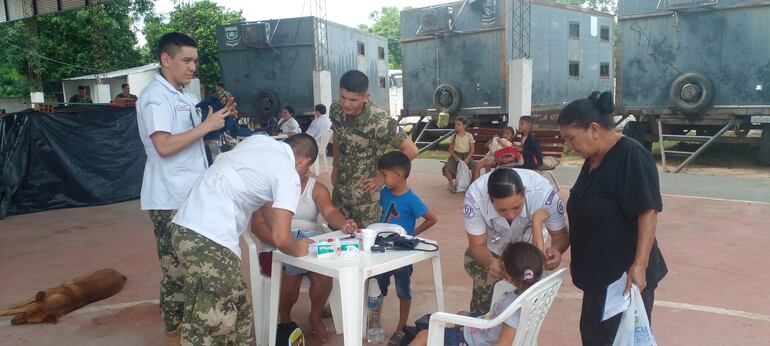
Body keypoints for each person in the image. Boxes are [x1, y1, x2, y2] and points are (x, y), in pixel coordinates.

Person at [170, 134, 319, 345]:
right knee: (215, 322)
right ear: (305, 161)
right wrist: (297, 247)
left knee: (239, 306)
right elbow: (282, 239)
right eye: (306, 169)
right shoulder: (288, 174)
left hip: (186, 228)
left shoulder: (260, 142)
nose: (304, 173)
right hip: (211, 238)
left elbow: (267, 209)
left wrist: (284, 237)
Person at [136, 32, 234, 343]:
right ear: (166, 60)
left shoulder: (185, 95)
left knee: (193, 268)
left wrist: (219, 118)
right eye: (186, 60)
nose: (193, 67)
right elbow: (163, 145)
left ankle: (191, 329)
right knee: (176, 271)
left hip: (191, 195)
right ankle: (174, 333)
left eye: (195, 61)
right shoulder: (156, 97)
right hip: (169, 198)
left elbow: (193, 138)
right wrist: (206, 126)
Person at [556, 91, 667, 345]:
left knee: (619, 339)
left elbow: (648, 211)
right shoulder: (594, 158)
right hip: (597, 280)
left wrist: (639, 266)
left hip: (623, 281)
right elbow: (593, 214)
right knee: (595, 338)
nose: (569, 146)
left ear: (594, 129)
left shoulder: (630, 155)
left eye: (571, 138)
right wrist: (563, 247)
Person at [250, 170, 357, 342]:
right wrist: (286, 243)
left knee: (324, 272)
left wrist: (343, 223)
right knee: (291, 272)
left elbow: (329, 212)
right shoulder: (266, 188)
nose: (301, 168)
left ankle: (314, 317)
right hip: (275, 245)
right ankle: (286, 320)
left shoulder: (316, 188)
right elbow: (258, 226)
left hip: (308, 242)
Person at [463, 168, 569, 313]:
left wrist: (556, 250)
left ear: (525, 192)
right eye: (502, 210)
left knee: (525, 304)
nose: (511, 215)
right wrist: (491, 263)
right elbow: (477, 245)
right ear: (489, 197)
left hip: (529, 252)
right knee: (484, 304)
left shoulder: (543, 195)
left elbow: (560, 235)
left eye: (516, 207)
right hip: (493, 248)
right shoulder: (475, 197)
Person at [408, 242, 545, 346]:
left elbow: (504, 343)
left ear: (509, 276)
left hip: (475, 340)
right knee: (461, 314)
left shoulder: (515, 308)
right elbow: (538, 256)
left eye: (503, 268)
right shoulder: (535, 283)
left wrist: (470, 329)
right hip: (484, 326)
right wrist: (537, 222)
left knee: (424, 336)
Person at [330, 69, 419, 227]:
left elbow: (411, 151)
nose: (346, 103)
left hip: (366, 198)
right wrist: (335, 167)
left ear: (366, 97)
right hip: (341, 190)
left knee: (367, 241)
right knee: (338, 237)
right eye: (343, 97)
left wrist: (382, 178)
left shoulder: (381, 121)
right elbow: (337, 137)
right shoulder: (336, 110)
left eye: (353, 99)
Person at [374, 151, 438, 345]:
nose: (382, 179)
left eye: (384, 175)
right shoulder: (384, 192)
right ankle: (374, 324)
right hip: (383, 251)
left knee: (403, 291)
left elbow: (432, 218)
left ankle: (401, 327)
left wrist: (412, 235)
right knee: (376, 289)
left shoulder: (411, 199)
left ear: (399, 175)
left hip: (402, 254)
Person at [442, 117, 476, 192]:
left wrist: (467, 158)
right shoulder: (454, 136)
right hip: (456, 155)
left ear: (464, 125)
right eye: (455, 124)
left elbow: (472, 149)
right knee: (446, 168)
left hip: (466, 155)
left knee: (474, 166)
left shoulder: (469, 136)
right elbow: (450, 149)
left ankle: (472, 185)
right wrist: (455, 157)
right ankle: (452, 186)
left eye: (459, 124)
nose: (456, 126)